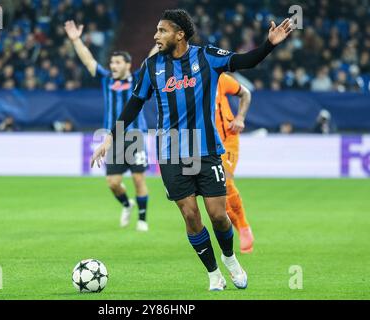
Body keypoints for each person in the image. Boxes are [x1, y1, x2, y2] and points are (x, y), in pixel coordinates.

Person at [91, 9, 293, 291]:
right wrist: (111, 138)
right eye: (156, 30)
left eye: (162, 31)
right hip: (171, 152)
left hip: (206, 147)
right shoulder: (151, 67)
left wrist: (269, 44)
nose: (155, 36)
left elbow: (244, 60)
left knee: (218, 216)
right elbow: (133, 105)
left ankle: (231, 260)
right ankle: (214, 274)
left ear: (180, 34)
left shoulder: (206, 56)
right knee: (190, 215)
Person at [64, 20, 158, 232]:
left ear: (127, 64)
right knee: (113, 183)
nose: (113, 66)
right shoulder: (106, 79)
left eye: (117, 63)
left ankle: (142, 219)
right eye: (112, 63)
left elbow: (153, 56)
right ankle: (127, 204)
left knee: (138, 178)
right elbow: (89, 61)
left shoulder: (137, 78)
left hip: (136, 136)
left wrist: (162, 39)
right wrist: (76, 40)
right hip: (112, 139)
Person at [214, 73, 254, 254]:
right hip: (205, 146)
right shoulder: (186, 84)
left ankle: (244, 226)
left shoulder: (220, 79)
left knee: (225, 182)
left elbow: (245, 93)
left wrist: (240, 118)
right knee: (216, 197)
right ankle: (240, 228)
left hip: (227, 139)